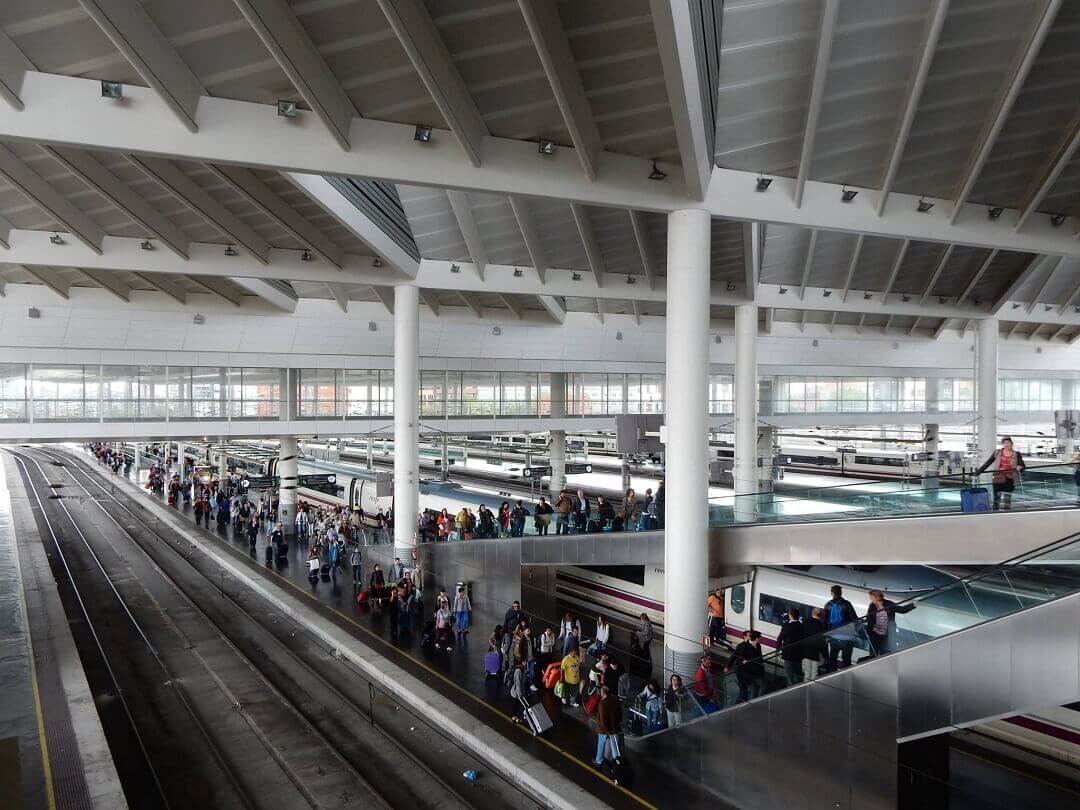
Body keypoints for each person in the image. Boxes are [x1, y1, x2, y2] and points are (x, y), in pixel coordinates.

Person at [977, 436, 1026, 510]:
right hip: (998, 477)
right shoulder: (997, 452)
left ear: (1012, 444)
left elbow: (1022, 465)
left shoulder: (1016, 454)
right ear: (1003, 444)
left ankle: (1006, 513)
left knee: (1007, 498)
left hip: (1010, 478)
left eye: (1008, 443)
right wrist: (979, 472)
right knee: (996, 497)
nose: (1006, 445)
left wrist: (1020, 467)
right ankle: (995, 513)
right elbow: (988, 462)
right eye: (1005, 443)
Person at [865, 590, 916, 657]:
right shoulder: (872, 606)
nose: (871, 600)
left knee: (885, 654)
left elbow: (902, 609)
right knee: (873, 655)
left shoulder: (889, 604)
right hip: (874, 634)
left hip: (886, 634)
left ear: (877, 597)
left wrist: (913, 605)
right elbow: (869, 617)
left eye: (872, 598)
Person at [822, 585, 858, 671]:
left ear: (832, 593)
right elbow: (855, 619)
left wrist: (826, 636)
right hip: (847, 636)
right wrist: (856, 632)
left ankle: (832, 676)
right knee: (846, 660)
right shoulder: (847, 604)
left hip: (833, 636)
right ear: (841, 593)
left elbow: (825, 621)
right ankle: (845, 676)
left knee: (833, 659)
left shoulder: (828, 605)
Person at [727, 630, 764, 702]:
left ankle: (750, 702)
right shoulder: (742, 646)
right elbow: (735, 657)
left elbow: (759, 659)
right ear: (744, 637)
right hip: (744, 672)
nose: (749, 637)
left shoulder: (757, 646)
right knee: (744, 689)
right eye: (748, 635)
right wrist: (728, 666)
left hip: (752, 671)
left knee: (750, 688)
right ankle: (742, 704)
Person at [593, 685, 623, 768]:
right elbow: (620, 711)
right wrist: (619, 722)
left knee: (601, 744)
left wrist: (607, 730)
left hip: (604, 729)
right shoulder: (615, 699)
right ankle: (618, 763)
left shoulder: (602, 704)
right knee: (615, 746)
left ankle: (598, 761)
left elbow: (602, 719)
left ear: (603, 692)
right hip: (614, 727)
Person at [776, 607, 805, 686]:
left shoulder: (787, 625)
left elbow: (780, 638)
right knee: (798, 671)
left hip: (788, 653)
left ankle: (791, 688)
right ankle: (799, 686)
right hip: (799, 653)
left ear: (791, 615)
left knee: (789, 673)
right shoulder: (802, 625)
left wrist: (778, 648)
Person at [801, 607, 829, 681]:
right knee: (814, 673)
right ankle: (811, 688)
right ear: (821, 615)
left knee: (807, 672)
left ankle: (804, 687)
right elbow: (823, 642)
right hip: (815, 652)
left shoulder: (804, 622)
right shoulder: (821, 626)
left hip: (805, 650)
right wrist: (826, 656)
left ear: (812, 613)